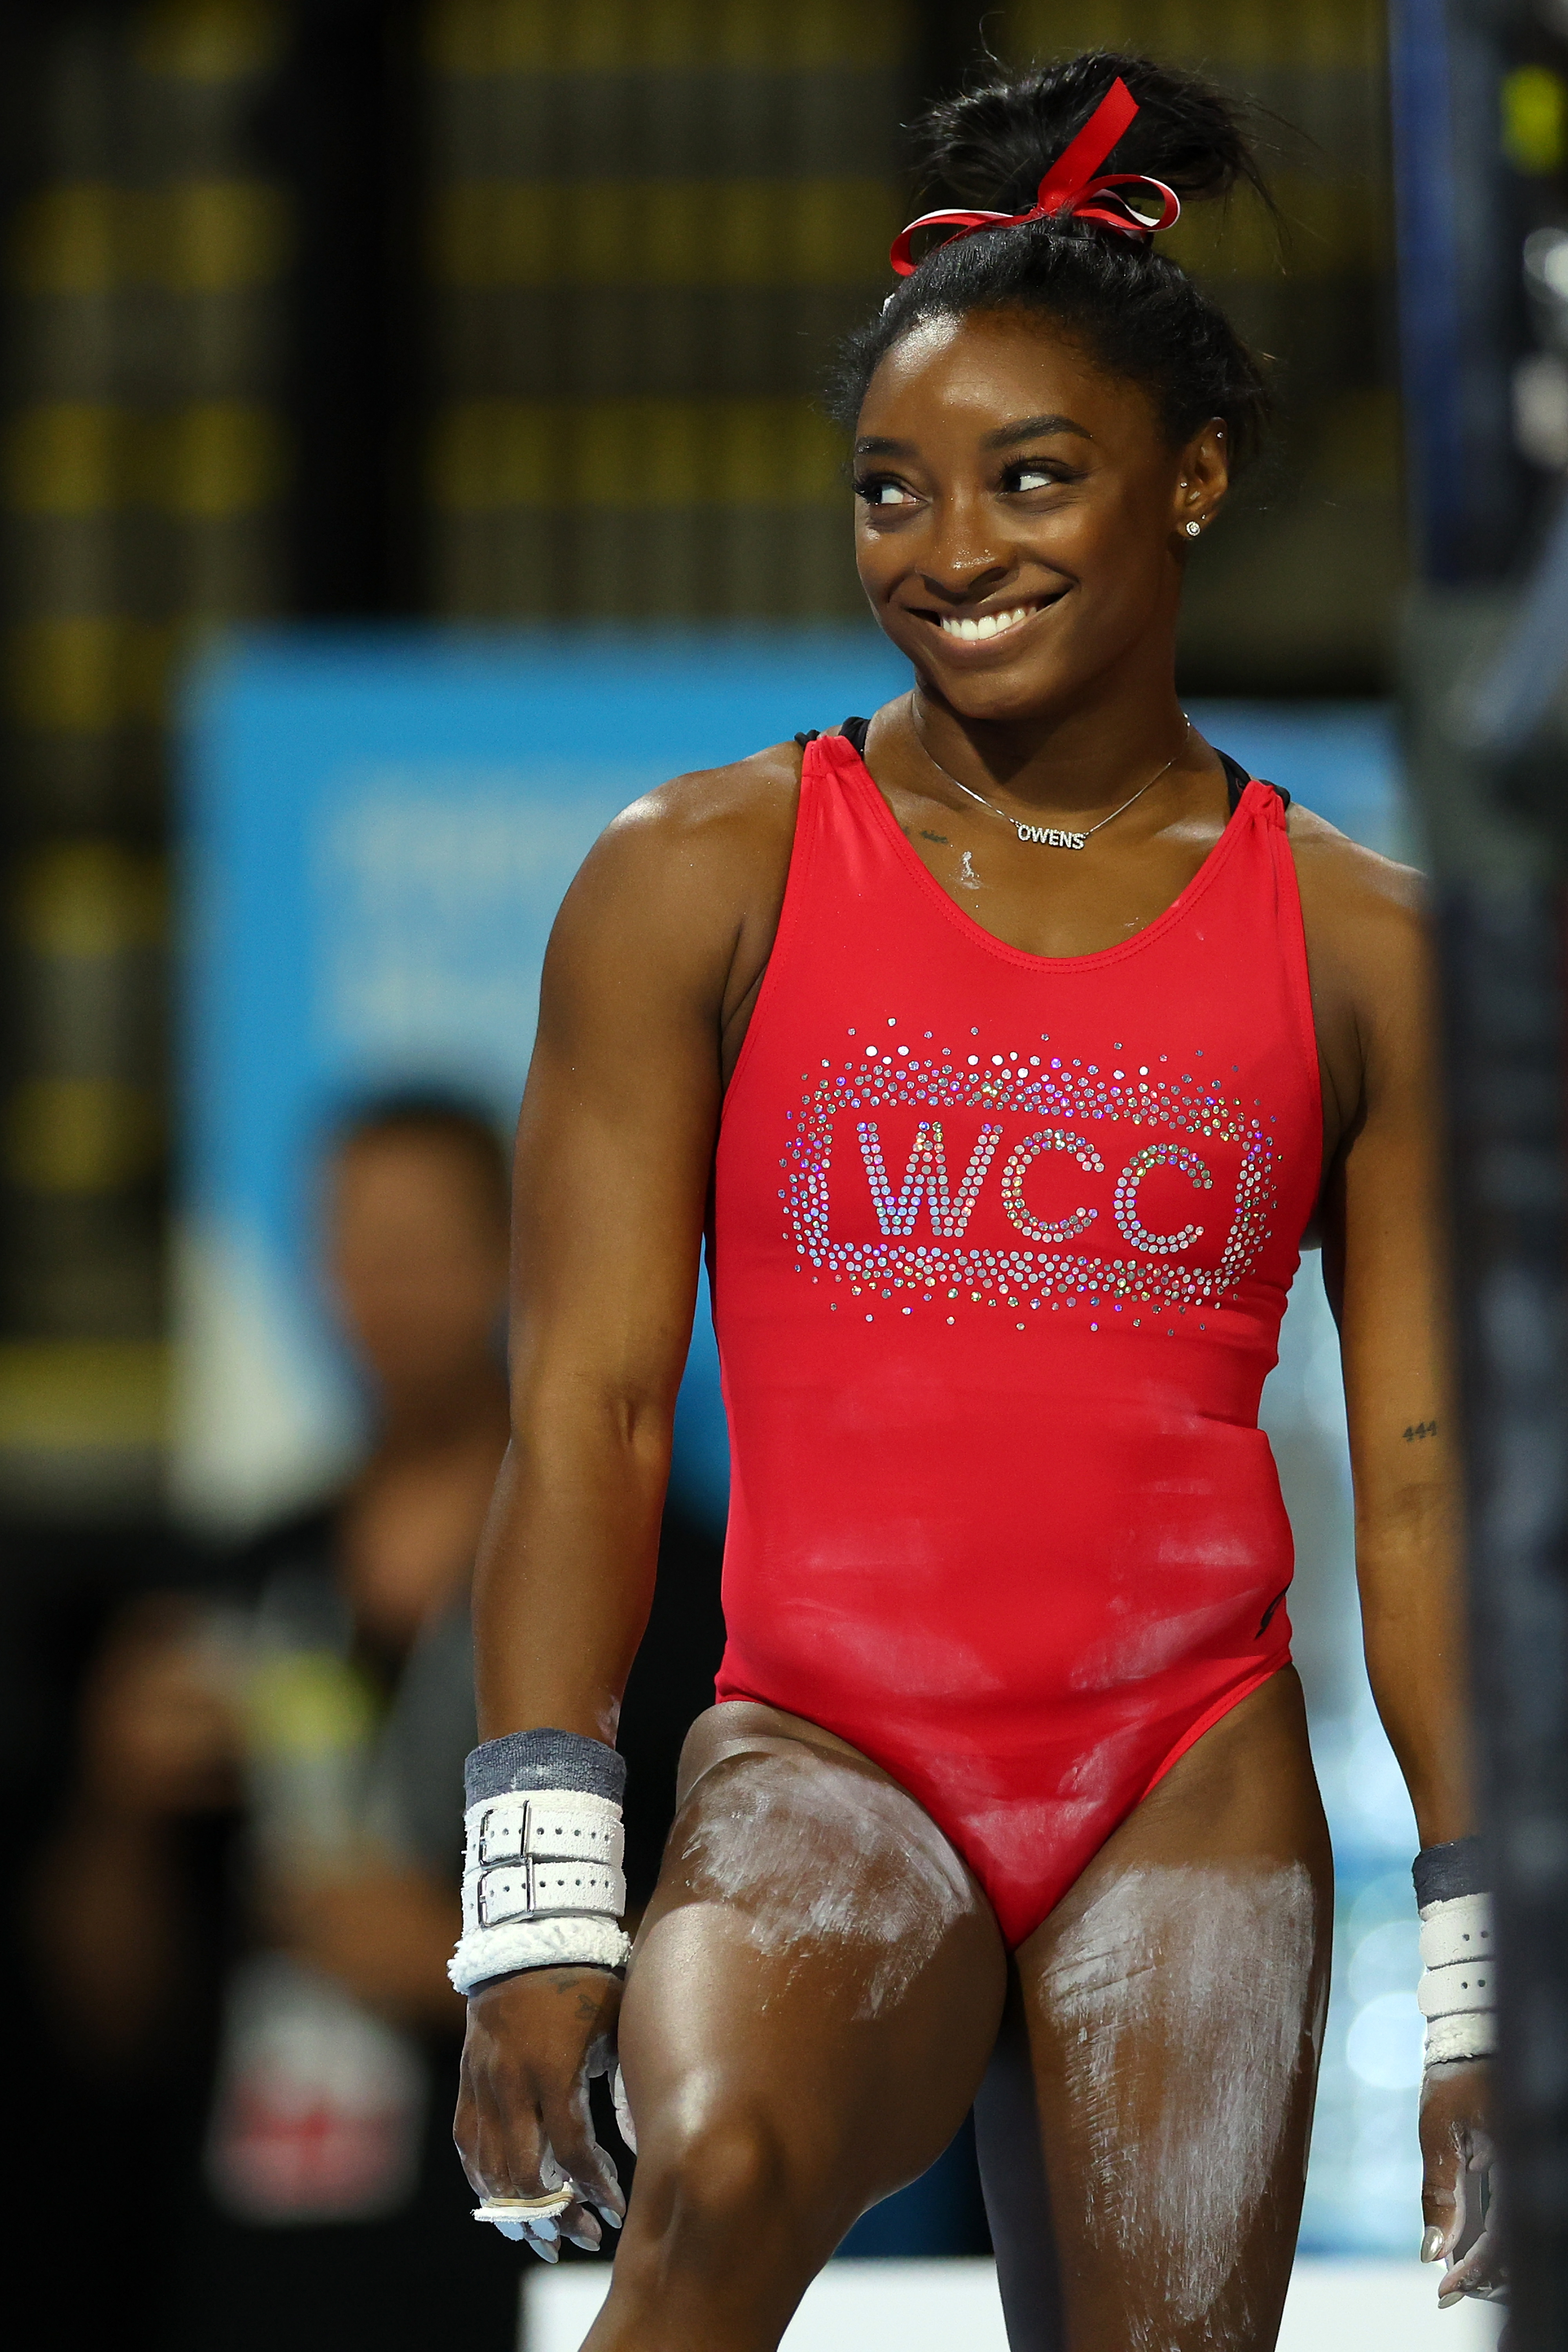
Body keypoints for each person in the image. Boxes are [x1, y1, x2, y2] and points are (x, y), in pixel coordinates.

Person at [453, 54, 1498, 2351]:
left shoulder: (1367, 949)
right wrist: (537, 1903)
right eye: (891, 494)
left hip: (1190, 1781)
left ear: (1197, 479)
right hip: (823, 1753)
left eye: (1035, 479)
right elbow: (596, 1414)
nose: (952, 552)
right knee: (704, 2201)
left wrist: (1488, 1957)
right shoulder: (694, 881)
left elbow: (1429, 1495)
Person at [37, 1097, 722, 2347]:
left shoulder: (657, 1584)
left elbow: (748, 1978)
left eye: (420, 1249)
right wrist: (117, 1803)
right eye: (353, 1250)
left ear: (514, 1260)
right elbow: (105, 2009)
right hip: (248, 2269)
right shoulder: (231, 1584)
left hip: (538, 2258)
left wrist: (483, 1960)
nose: (381, 1292)